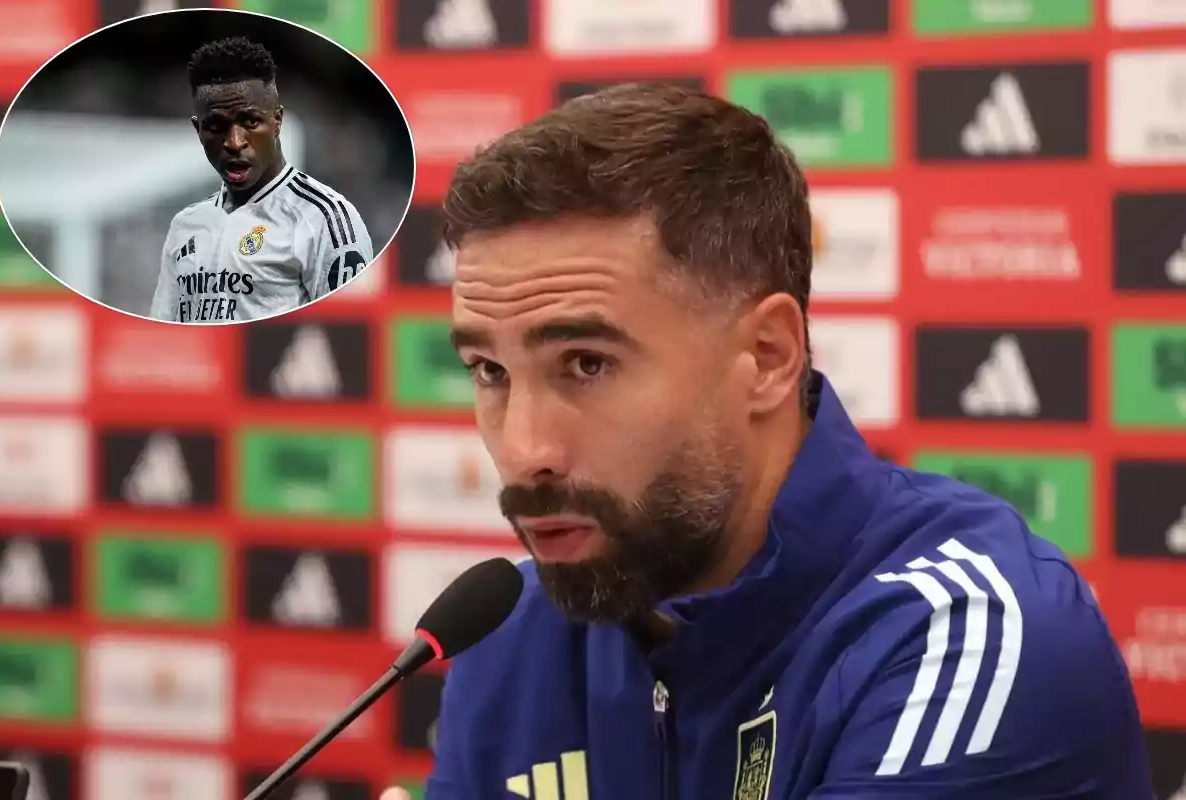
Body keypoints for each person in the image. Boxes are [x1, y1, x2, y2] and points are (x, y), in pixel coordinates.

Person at [381, 84, 1153, 799]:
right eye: (488, 370)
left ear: (769, 358)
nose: (523, 451)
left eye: (586, 364)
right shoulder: (510, 637)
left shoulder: (964, 640)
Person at [150, 36, 372, 324]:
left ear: (277, 121)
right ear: (198, 129)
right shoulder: (185, 225)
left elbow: (348, 335)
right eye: (216, 126)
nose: (234, 142)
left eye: (251, 122)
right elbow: (164, 325)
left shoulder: (325, 219)